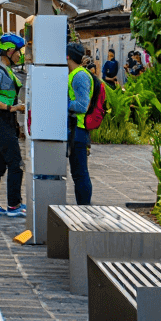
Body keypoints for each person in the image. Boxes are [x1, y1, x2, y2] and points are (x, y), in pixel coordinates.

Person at [0, 33, 27, 217]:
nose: (20, 55)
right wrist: (11, 108)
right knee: (15, 163)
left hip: (5, 122)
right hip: (1, 122)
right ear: (9, 51)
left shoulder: (8, 72)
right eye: (18, 51)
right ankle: (14, 205)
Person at [67, 42, 95, 206]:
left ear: (67, 56)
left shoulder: (80, 76)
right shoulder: (73, 74)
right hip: (73, 128)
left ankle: (84, 208)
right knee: (76, 172)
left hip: (79, 129)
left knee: (80, 172)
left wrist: (62, 104)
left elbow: (82, 105)